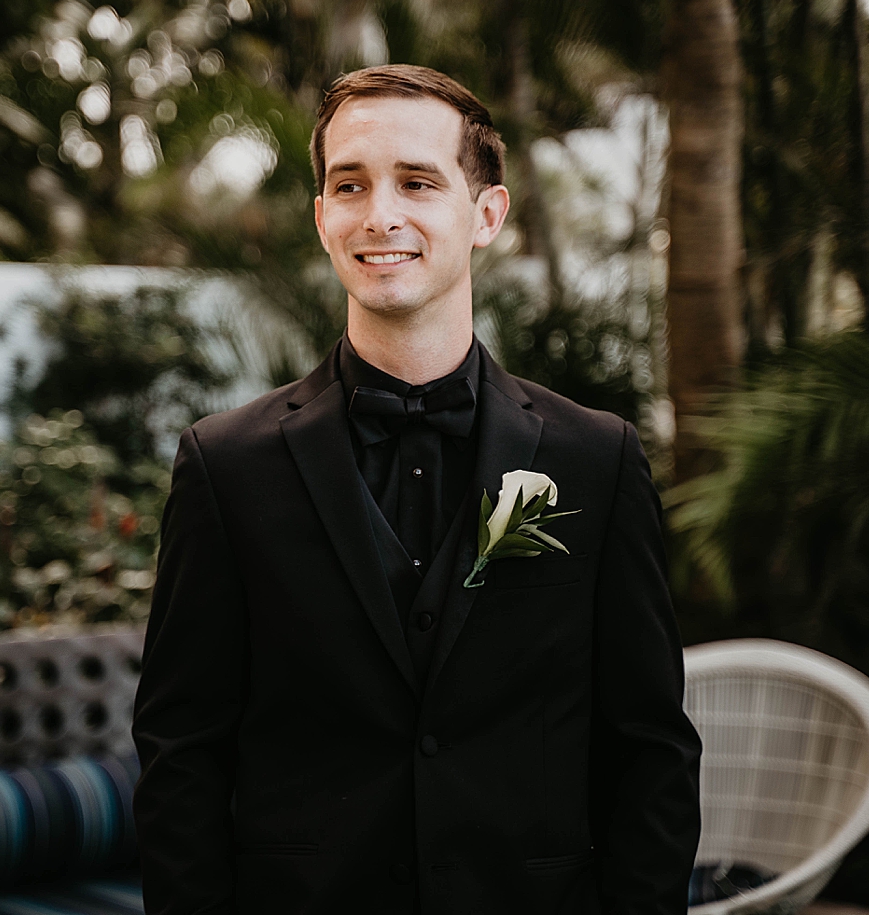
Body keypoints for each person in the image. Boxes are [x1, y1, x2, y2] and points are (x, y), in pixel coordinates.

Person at [132, 64, 701, 915]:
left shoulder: (596, 458)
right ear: (323, 218)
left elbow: (649, 747)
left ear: (487, 215)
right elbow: (182, 752)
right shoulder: (226, 466)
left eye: (418, 182)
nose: (380, 214)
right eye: (349, 184)